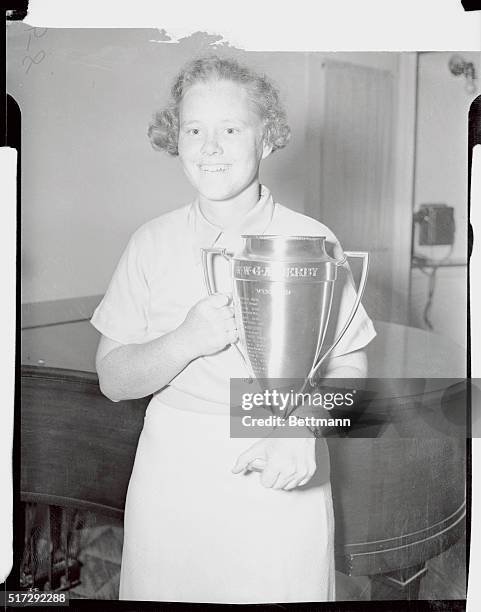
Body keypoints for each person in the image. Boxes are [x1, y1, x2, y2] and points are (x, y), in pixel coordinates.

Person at [91, 55, 376, 604]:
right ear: (176, 139)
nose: (210, 146)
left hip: (281, 466)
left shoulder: (313, 241)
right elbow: (112, 379)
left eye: (230, 128)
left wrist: (301, 429)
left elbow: (351, 370)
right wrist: (184, 341)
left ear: (267, 140)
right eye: (194, 129)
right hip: (170, 474)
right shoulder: (149, 242)